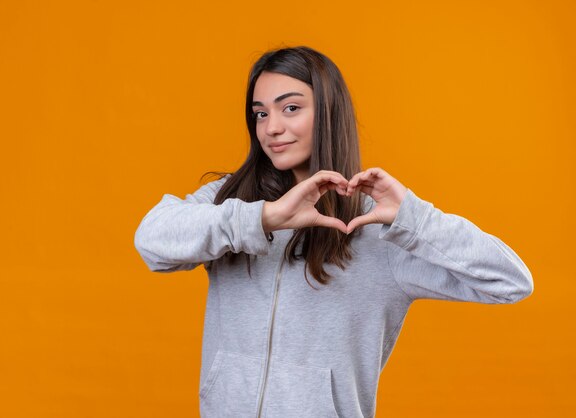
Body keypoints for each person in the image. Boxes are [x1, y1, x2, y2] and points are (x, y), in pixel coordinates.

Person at [134, 46, 533, 418]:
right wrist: (264, 218)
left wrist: (414, 218)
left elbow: (510, 281)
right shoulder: (233, 202)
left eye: (290, 108)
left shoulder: (380, 228)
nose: (272, 127)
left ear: (327, 112)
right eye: (260, 113)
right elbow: (152, 242)